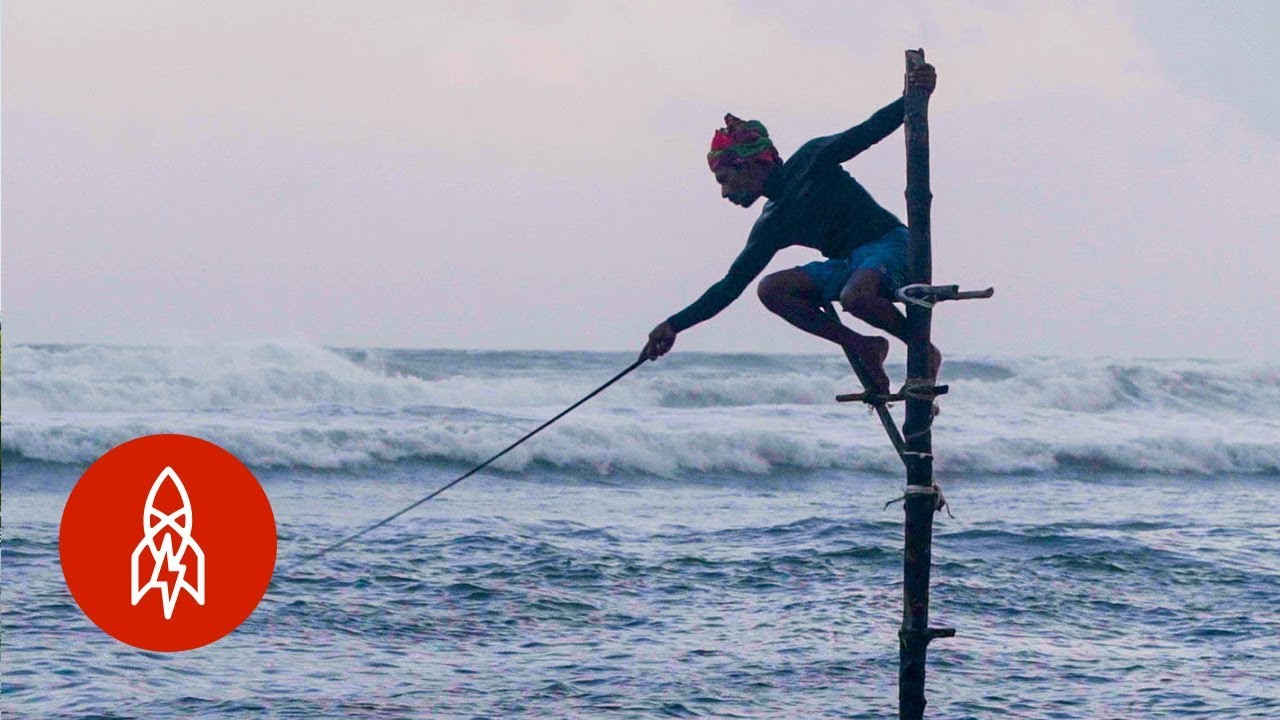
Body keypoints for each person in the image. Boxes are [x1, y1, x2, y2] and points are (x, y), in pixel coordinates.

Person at [640, 63, 941, 395]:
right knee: (770, 289)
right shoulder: (771, 222)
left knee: (855, 296)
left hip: (890, 244)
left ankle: (921, 348)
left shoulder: (811, 160)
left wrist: (914, 96)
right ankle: (864, 346)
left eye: (725, 179)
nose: (725, 193)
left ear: (753, 163)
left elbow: (867, 131)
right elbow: (729, 286)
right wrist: (673, 325)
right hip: (850, 264)